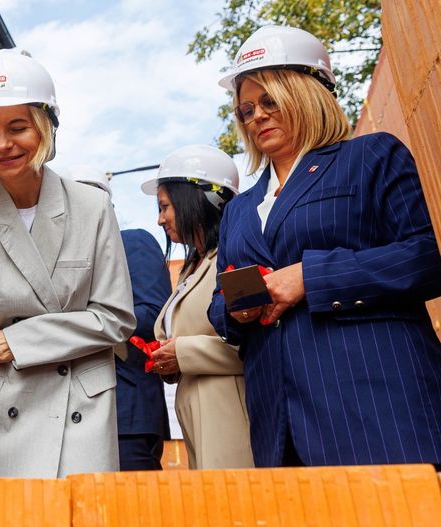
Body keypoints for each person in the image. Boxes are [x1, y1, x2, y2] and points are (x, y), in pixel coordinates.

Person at [209, 25, 441, 467]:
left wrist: (308, 277)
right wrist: (236, 309)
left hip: (379, 413)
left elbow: (425, 257)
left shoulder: (371, 156)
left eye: (270, 100)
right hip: (279, 428)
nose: (256, 115)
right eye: (245, 109)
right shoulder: (238, 210)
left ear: (308, 93)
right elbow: (221, 303)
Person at [0, 49, 136, 478]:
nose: (2, 145)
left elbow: (115, 317)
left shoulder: (92, 208)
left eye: (18, 128)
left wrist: (23, 339)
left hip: (78, 411)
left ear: (47, 126)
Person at [142, 144, 253, 469]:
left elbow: (256, 344)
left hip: (230, 413)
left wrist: (184, 353)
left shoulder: (237, 257)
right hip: (198, 415)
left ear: (196, 201)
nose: (160, 218)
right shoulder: (193, 266)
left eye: (165, 206)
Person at [69, 166, 172, 470]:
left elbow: (152, 317)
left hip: (126, 417)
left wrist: (70, 321)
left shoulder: (133, 243)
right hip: (70, 418)